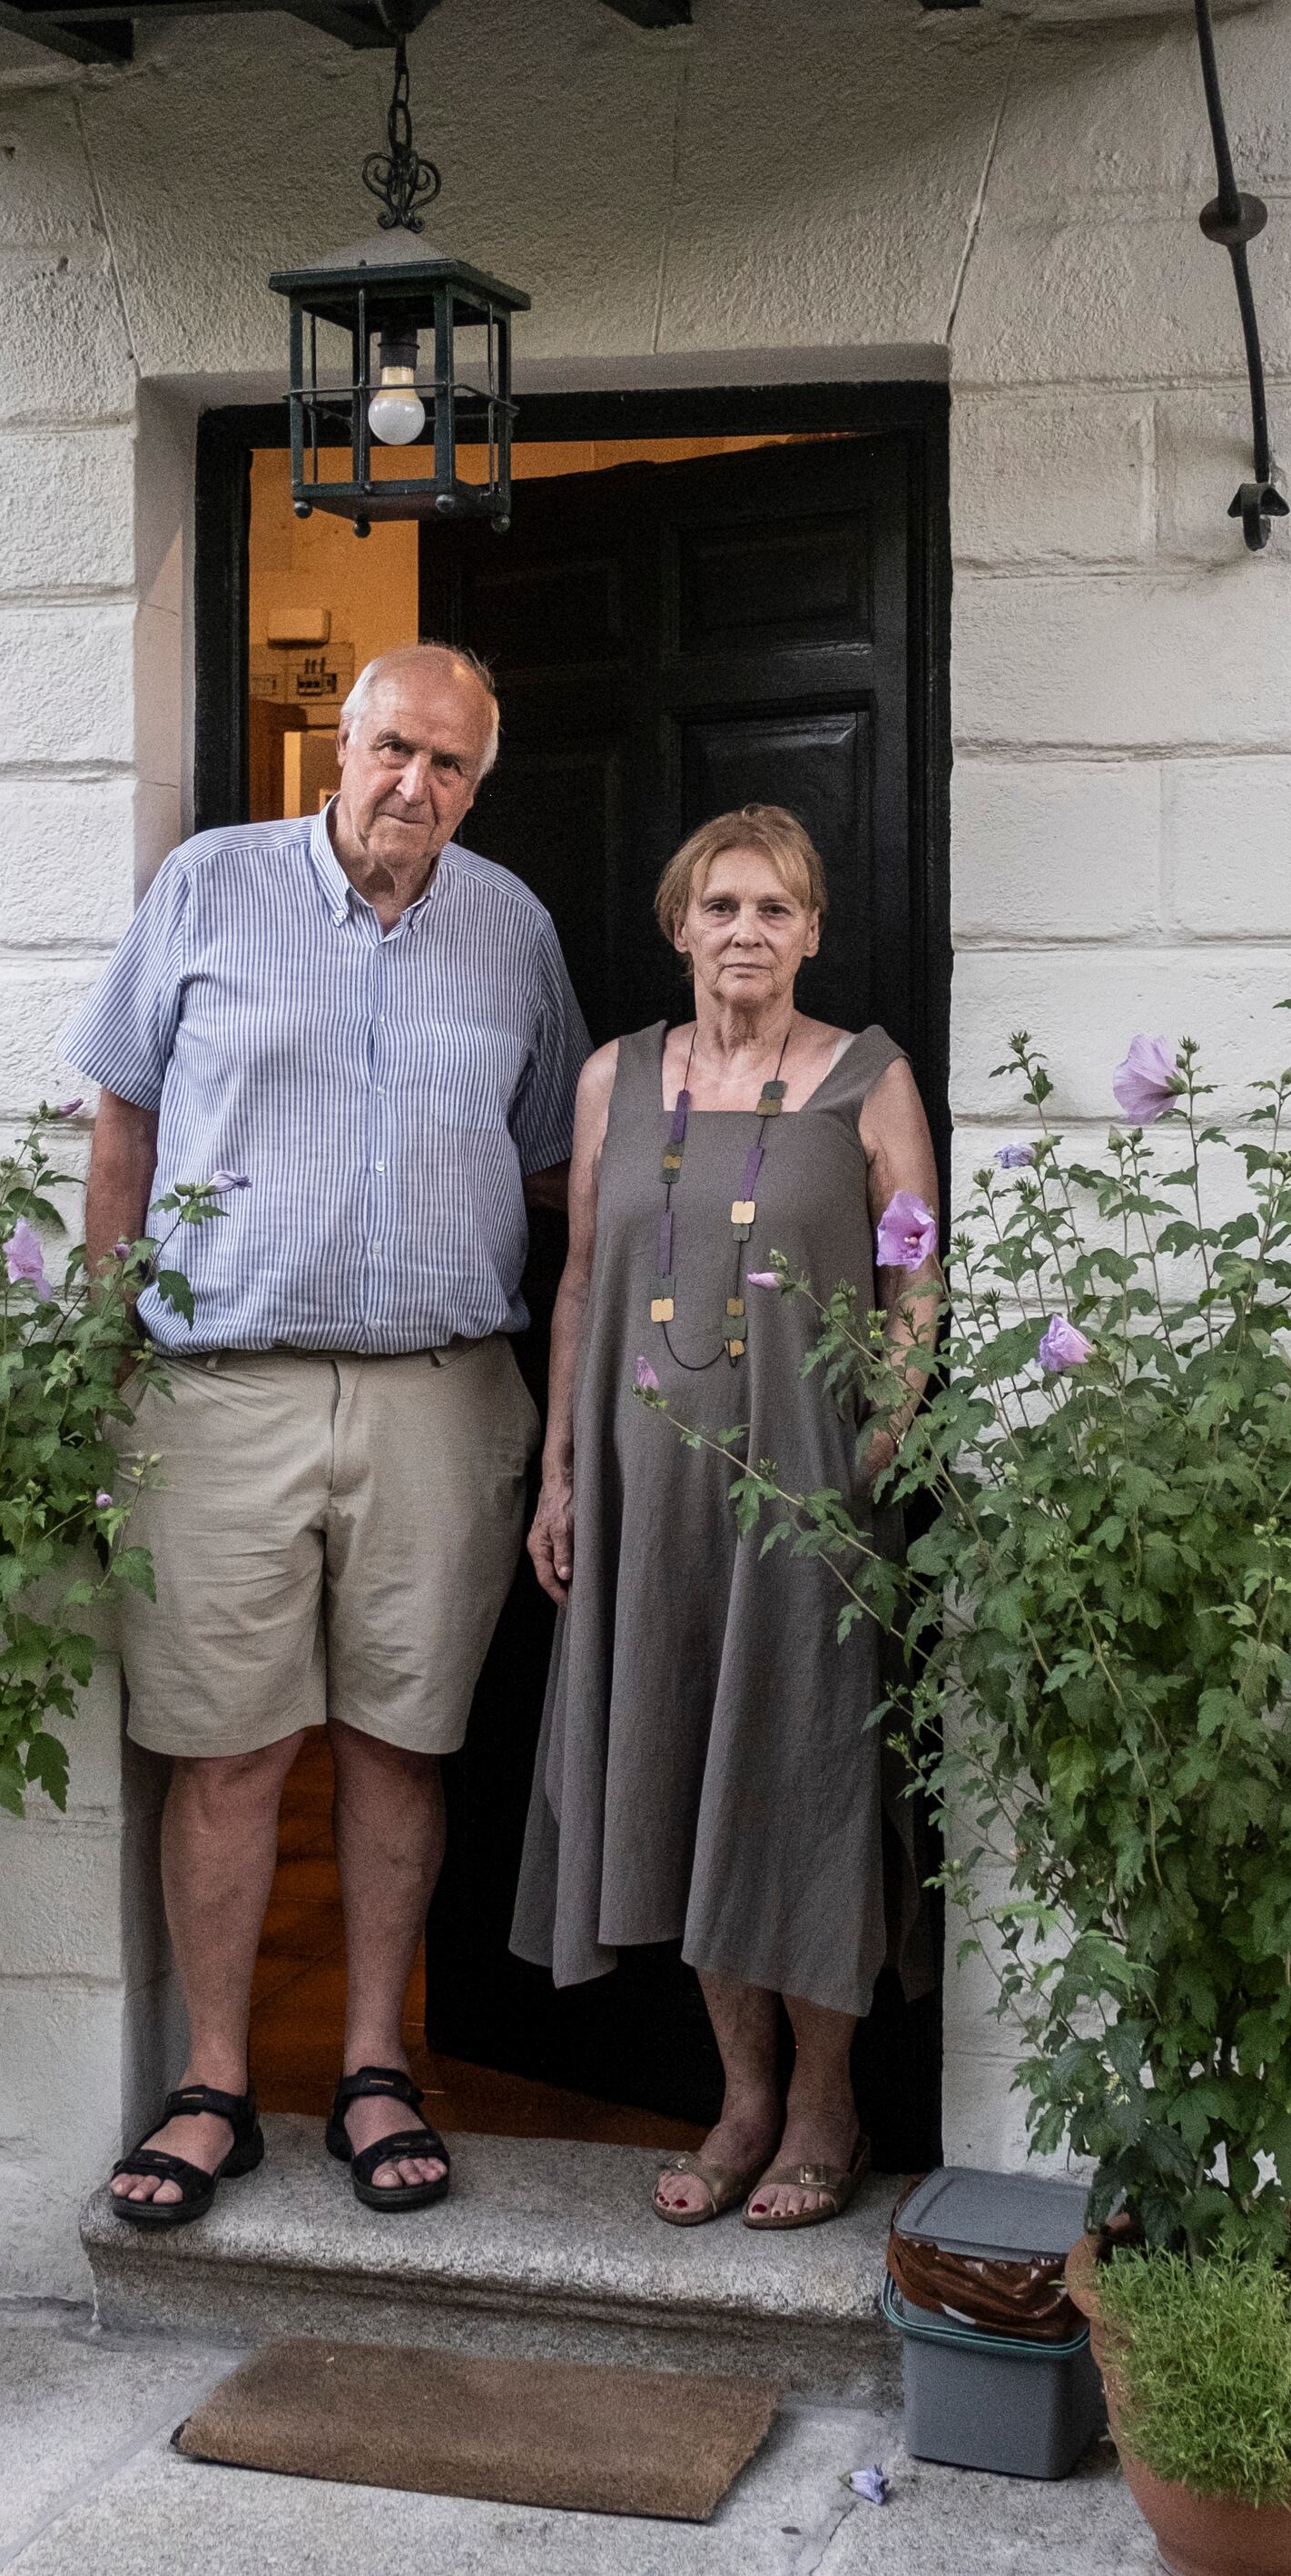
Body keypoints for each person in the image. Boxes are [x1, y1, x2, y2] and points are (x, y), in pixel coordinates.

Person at [69, 642, 587, 2226]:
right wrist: (102, 1363)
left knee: (401, 1741)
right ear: (337, 751)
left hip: (442, 1392)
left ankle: (374, 2065)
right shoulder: (209, 889)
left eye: (449, 767)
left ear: (477, 787)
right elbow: (123, 1126)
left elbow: (563, 1168)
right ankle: (215, 2079)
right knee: (225, 1753)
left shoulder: (514, 930)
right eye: (393, 751)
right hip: (221, 1389)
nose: (413, 787)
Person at [513, 803, 941, 2233]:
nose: (745, 932)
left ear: (812, 929)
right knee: (684, 1774)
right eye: (721, 907)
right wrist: (564, 1467)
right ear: (678, 925)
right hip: (651, 1488)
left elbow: (915, 1277)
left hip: (810, 1495)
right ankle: (743, 2095)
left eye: (774, 908)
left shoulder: (868, 1077)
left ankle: (828, 2101)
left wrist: (878, 1433)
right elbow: (579, 1278)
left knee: (805, 1783)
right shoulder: (615, 1079)